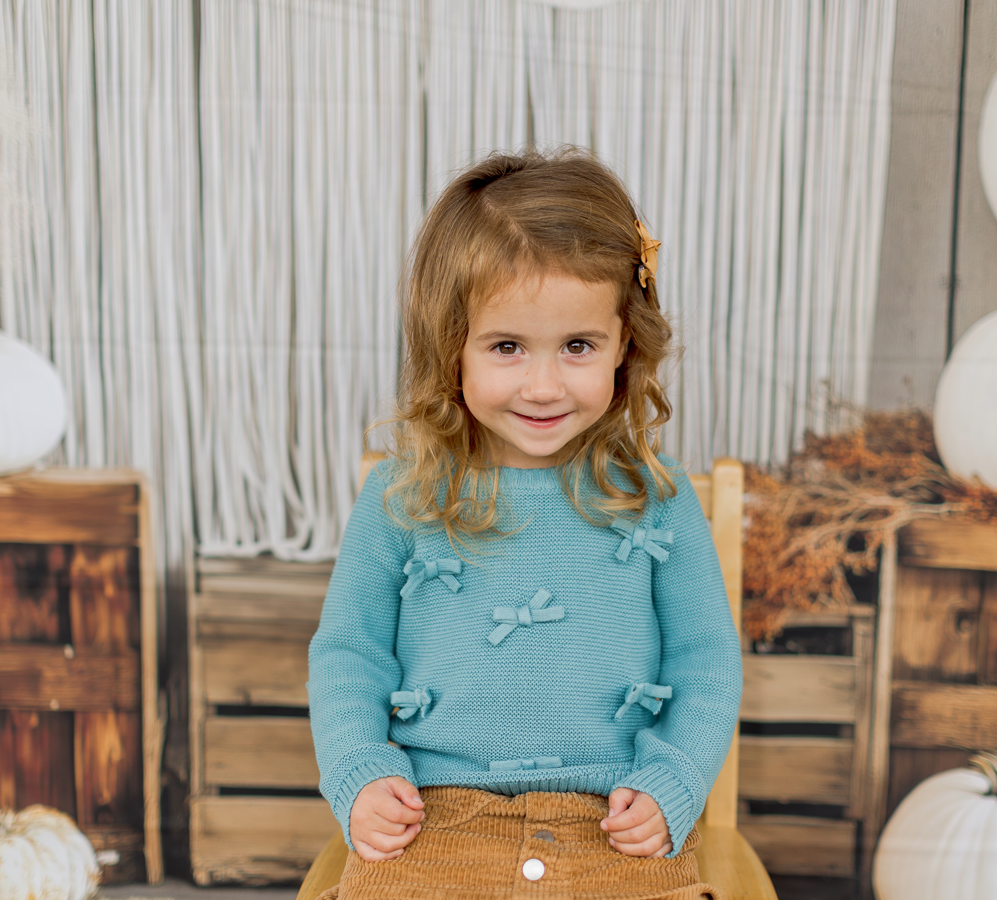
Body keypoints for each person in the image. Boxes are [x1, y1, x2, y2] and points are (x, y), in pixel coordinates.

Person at [307, 148, 743, 899]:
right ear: (454, 349)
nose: (543, 386)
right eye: (507, 347)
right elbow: (349, 655)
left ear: (624, 348)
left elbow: (705, 662)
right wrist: (361, 773)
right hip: (429, 823)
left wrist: (673, 782)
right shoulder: (402, 494)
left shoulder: (656, 499)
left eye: (578, 347)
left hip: (617, 824)